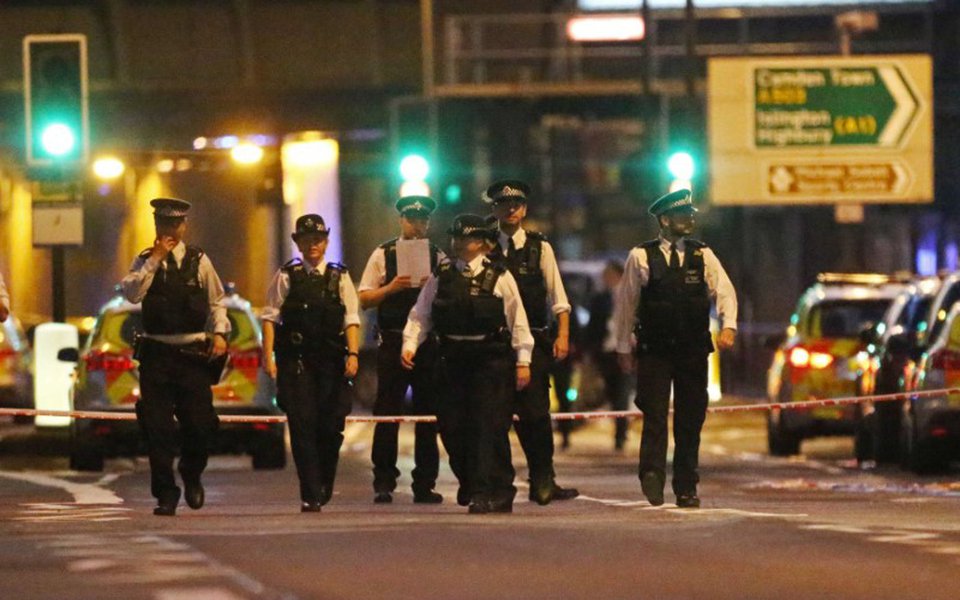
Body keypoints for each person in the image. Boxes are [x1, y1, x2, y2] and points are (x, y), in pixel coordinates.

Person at [613, 188, 737, 509]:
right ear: (665, 220)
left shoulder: (702, 255)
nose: (689, 220)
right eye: (682, 215)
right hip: (655, 350)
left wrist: (729, 326)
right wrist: (623, 346)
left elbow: (725, 291)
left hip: (692, 350)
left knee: (690, 419)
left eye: (690, 214)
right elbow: (627, 304)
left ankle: (686, 486)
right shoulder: (641, 256)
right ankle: (652, 475)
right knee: (654, 415)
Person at [402, 214, 534, 514]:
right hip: (452, 360)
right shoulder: (442, 274)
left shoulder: (499, 276)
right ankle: (471, 482)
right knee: (451, 427)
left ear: (483, 243)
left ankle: (490, 491)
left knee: (487, 427)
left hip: (490, 360)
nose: (460, 243)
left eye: (467, 238)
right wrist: (410, 344)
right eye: (456, 237)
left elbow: (518, 321)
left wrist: (523, 360)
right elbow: (421, 314)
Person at [120, 197, 230, 516]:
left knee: (200, 424)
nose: (169, 229)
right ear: (156, 226)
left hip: (192, 355)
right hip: (157, 355)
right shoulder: (144, 260)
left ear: (184, 226)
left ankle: (192, 472)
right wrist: (155, 259)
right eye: (163, 223)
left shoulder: (199, 260)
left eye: (174, 223)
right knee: (158, 430)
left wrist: (220, 333)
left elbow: (217, 300)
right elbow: (132, 294)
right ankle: (165, 494)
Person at [484, 179, 579, 505]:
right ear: (495, 209)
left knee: (536, 415)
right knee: (496, 418)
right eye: (504, 204)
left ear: (524, 209)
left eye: (517, 204)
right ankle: (501, 485)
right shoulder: (484, 246)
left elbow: (558, 298)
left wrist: (562, 335)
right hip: (495, 345)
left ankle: (543, 478)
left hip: (536, 341)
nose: (511, 209)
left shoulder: (540, 248)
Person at [261, 214, 360, 513]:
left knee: (331, 427)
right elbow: (270, 317)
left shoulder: (339, 276)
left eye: (318, 239)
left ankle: (324, 480)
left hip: (331, 363)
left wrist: (353, 354)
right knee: (302, 427)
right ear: (298, 243)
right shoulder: (287, 275)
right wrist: (269, 356)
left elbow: (351, 319)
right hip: (298, 363)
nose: (313, 245)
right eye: (306, 240)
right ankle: (310, 492)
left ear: (326, 242)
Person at [358, 195, 444, 504]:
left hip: (427, 344)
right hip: (393, 340)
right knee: (387, 412)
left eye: (422, 220)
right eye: (412, 219)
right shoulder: (384, 254)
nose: (417, 226)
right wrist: (392, 288)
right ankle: (384, 480)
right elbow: (364, 298)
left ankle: (425, 482)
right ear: (401, 221)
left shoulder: (437, 255)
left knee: (428, 414)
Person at [585, 260, 631, 451]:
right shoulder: (600, 299)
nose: (606, 278)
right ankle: (618, 426)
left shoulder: (631, 296)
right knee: (611, 392)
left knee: (622, 393)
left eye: (609, 274)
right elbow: (592, 327)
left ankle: (621, 434)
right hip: (606, 353)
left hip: (626, 352)